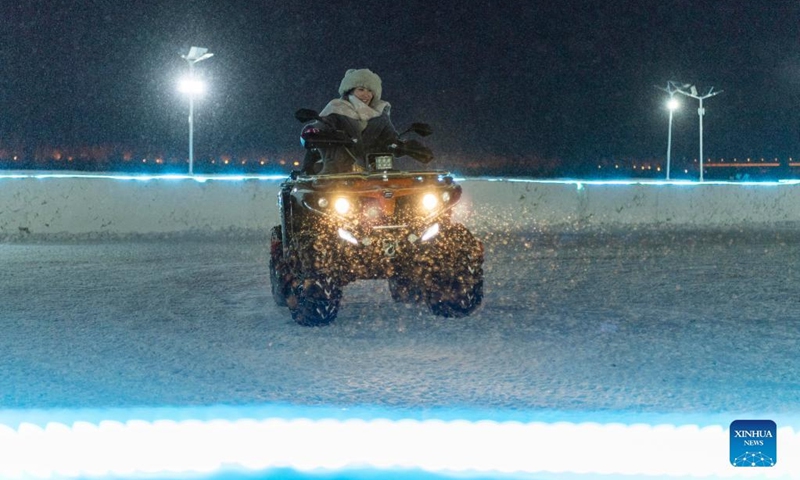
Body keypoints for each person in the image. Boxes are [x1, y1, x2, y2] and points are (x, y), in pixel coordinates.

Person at [301, 68, 400, 175]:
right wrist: (313, 131)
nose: (366, 94)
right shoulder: (336, 109)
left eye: (370, 90)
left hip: (375, 174)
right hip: (337, 173)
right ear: (350, 90)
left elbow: (391, 138)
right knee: (326, 189)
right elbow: (322, 125)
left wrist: (406, 146)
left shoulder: (380, 114)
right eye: (361, 89)